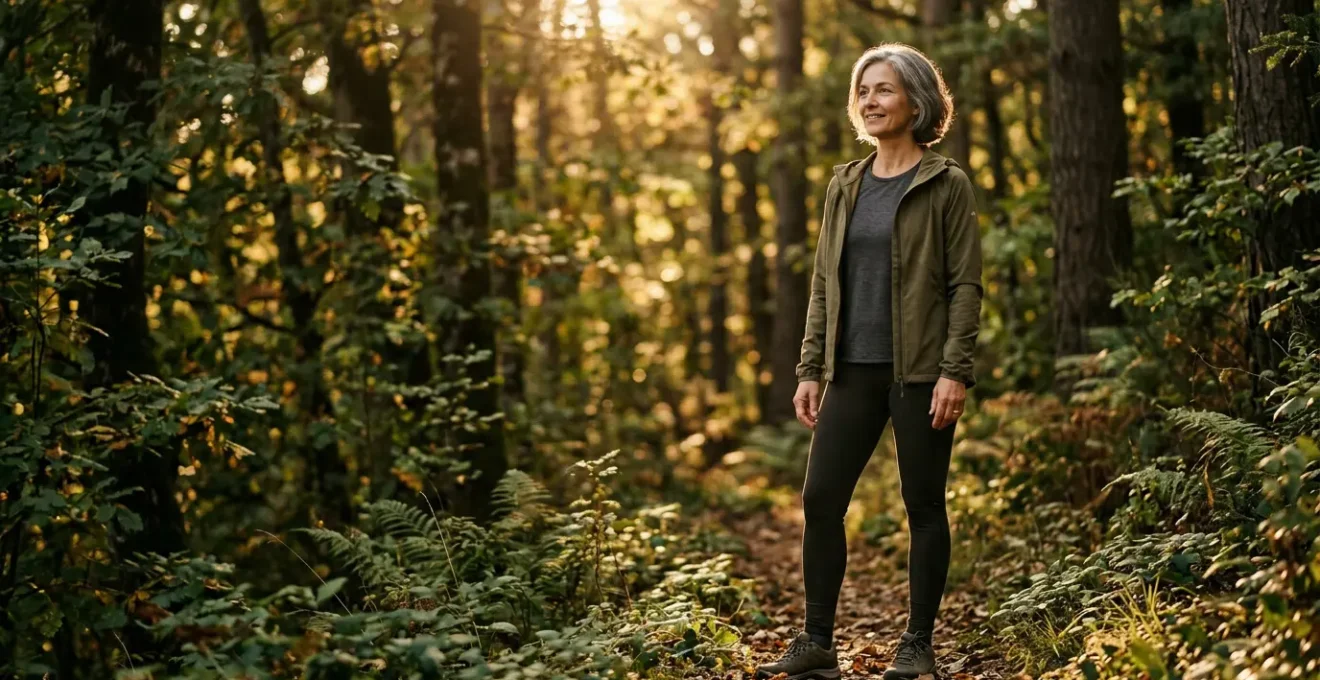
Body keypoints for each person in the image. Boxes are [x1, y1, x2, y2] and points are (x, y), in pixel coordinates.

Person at [755, 43, 983, 680]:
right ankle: (817, 642)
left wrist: (954, 370)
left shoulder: (945, 184)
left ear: (916, 100)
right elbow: (823, 284)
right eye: (863, 91)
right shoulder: (845, 184)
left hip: (920, 373)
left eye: (883, 89)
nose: (870, 101)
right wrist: (809, 368)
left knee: (924, 505)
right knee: (821, 498)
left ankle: (918, 644)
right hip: (851, 370)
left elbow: (965, 285)